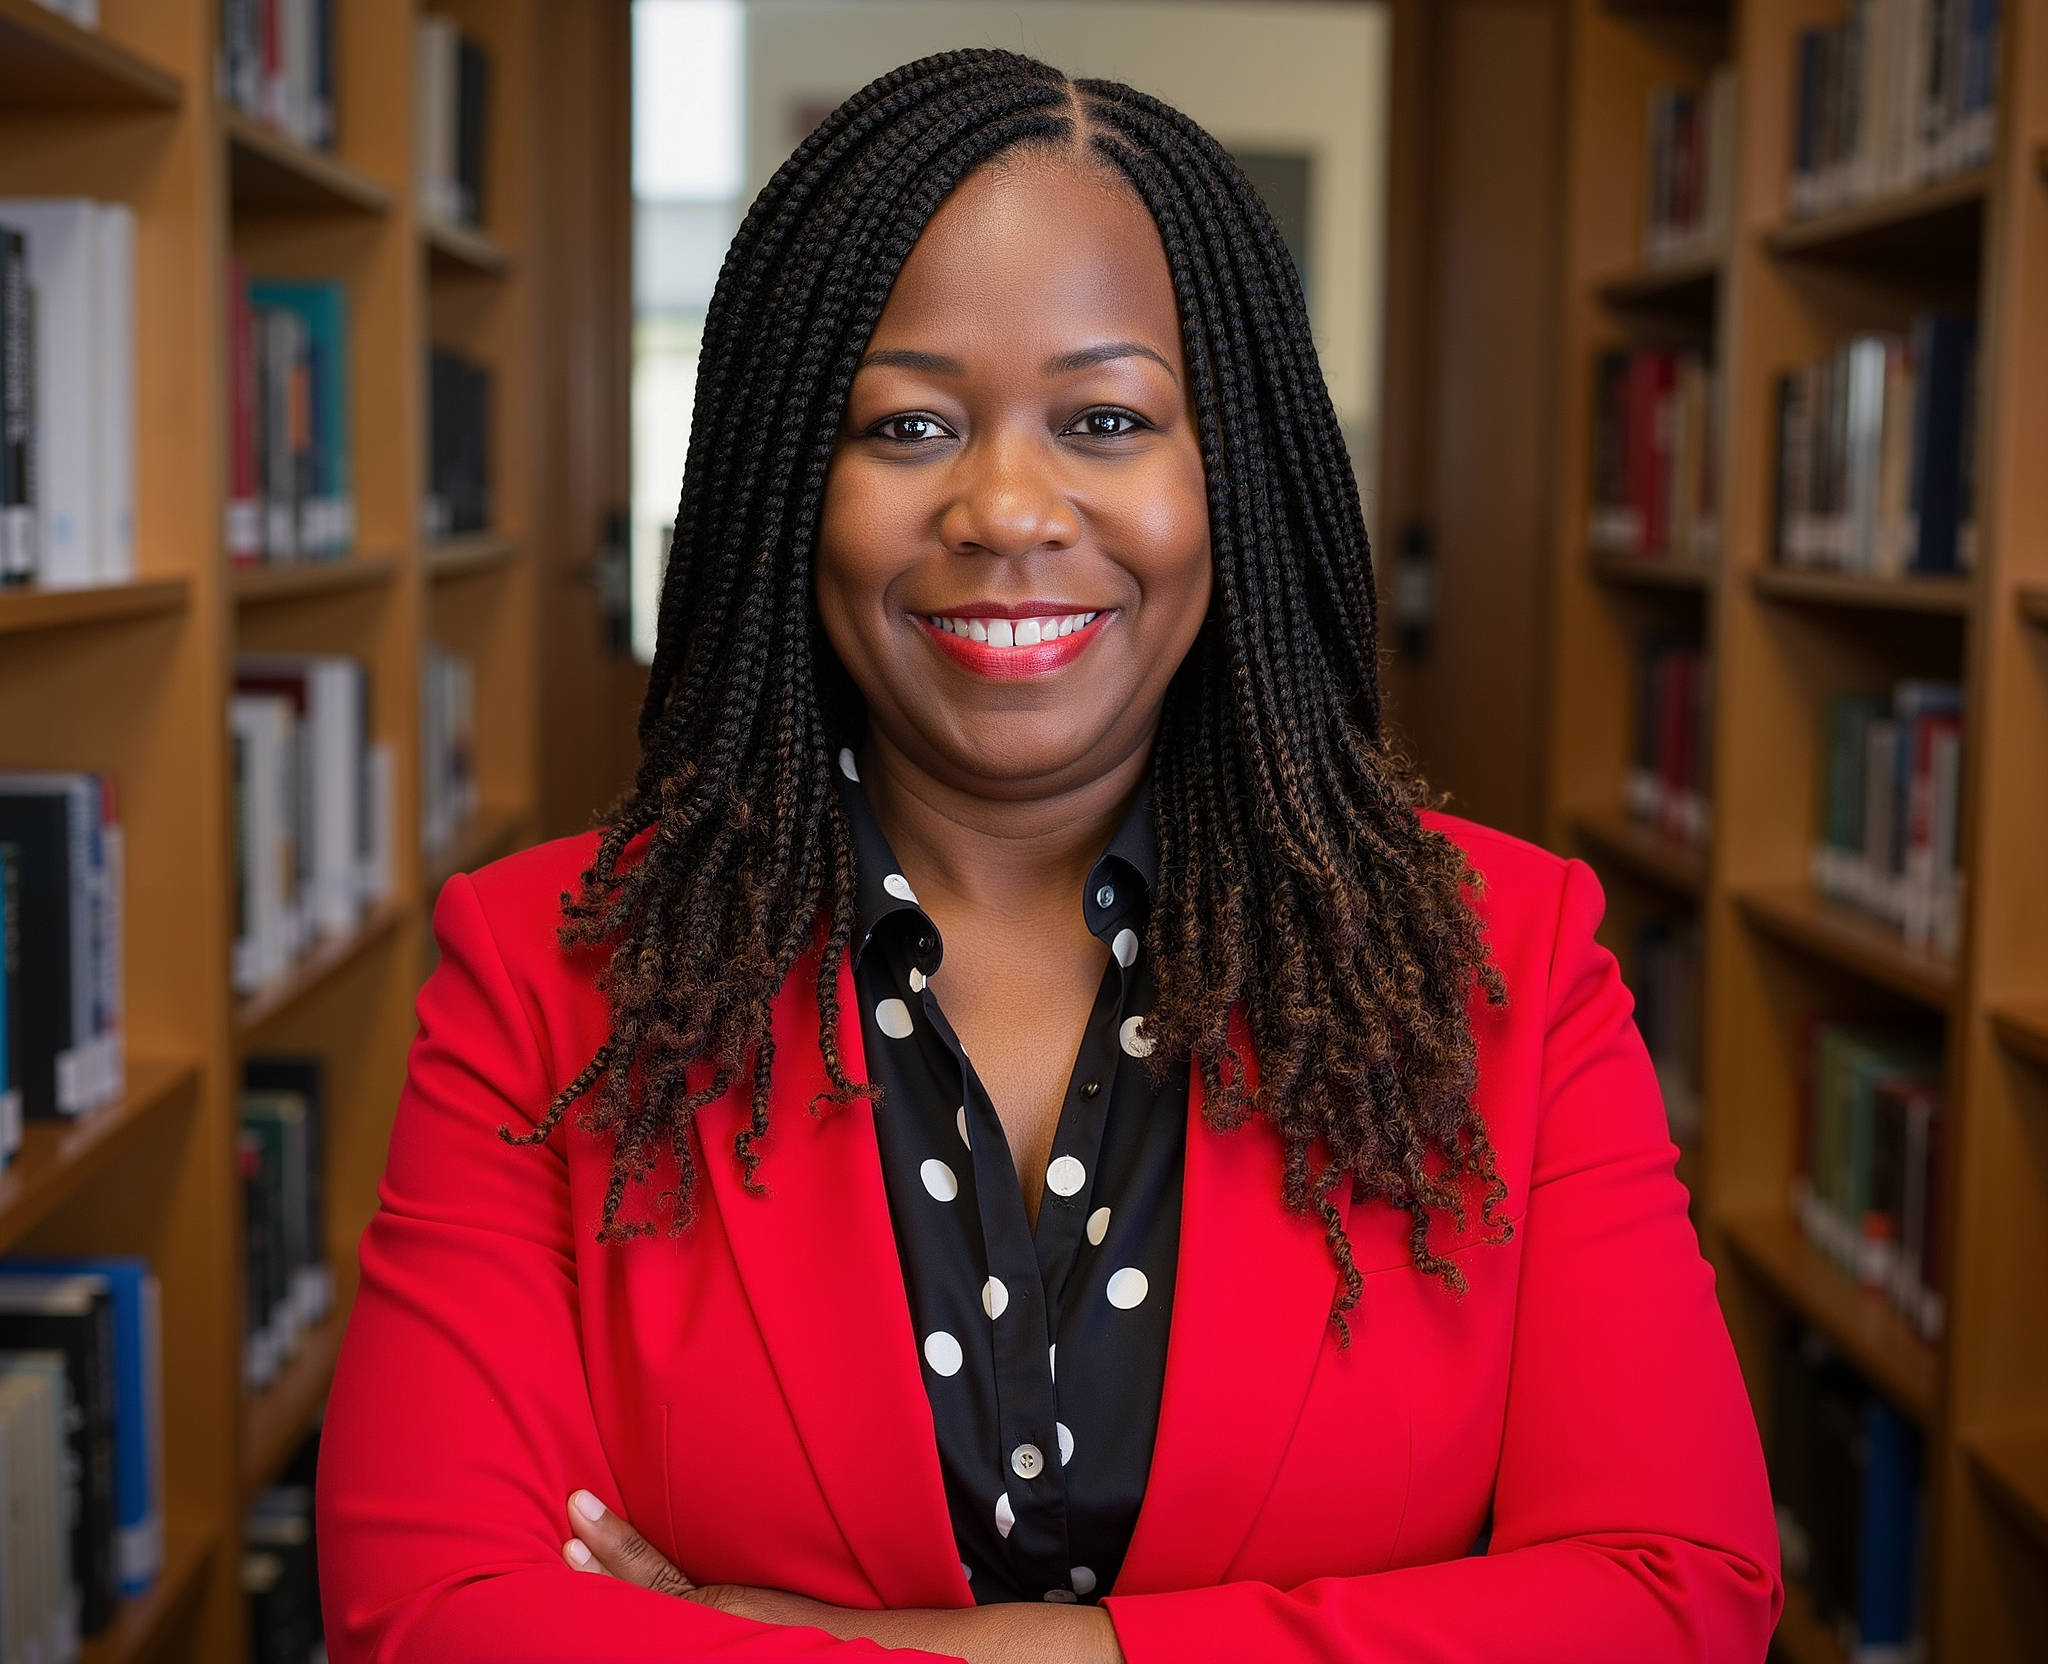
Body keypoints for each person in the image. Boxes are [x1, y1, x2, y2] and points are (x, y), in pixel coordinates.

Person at [318, 50, 1780, 1664]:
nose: (1007, 507)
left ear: (1231, 474)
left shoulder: (1509, 958)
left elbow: (1674, 1596)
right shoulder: (542, 976)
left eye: (1104, 418)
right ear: (789, 484)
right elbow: (433, 1619)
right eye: (910, 423)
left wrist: (949, 1648)